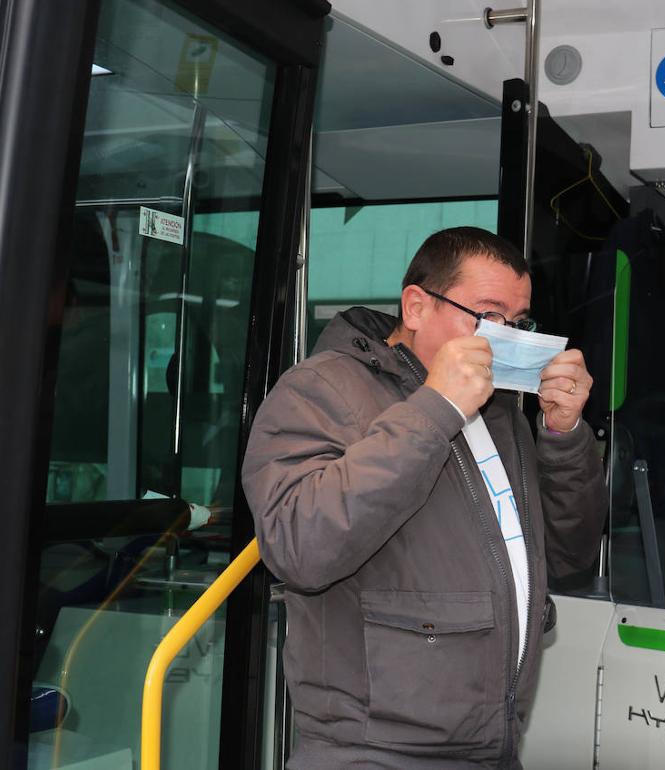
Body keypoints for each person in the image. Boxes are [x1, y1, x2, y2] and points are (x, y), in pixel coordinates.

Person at [241, 227, 607, 769]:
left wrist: (563, 434)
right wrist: (436, 408)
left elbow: (569, 555)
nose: (505, 338)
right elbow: (299, 546)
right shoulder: (321, 388)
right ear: (416, 306)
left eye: (519, 321)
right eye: (487, 316)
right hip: (373, 749)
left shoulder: (503, 410)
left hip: (491, 741)